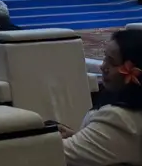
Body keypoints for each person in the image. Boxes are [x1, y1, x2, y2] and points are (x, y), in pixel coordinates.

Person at [61, 28, 142, 166]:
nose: (103, 67)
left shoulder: (119, 119)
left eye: (112, 62)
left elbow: (61, 153)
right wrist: (81, 136)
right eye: (105, 58)